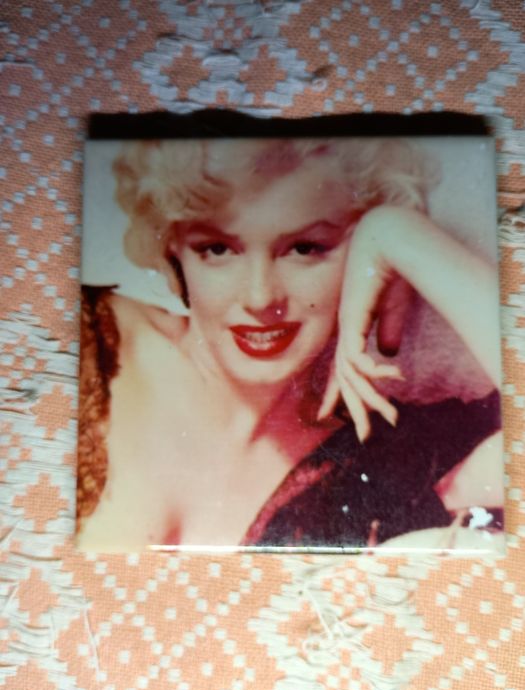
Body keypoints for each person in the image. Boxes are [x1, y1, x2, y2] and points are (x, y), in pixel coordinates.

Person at [76, 138, 502, 551]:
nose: (260, 298)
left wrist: (397, 233)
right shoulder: (84, 337)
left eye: (304, 248)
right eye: (217, 249)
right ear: (173, 247)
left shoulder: (391, 454)